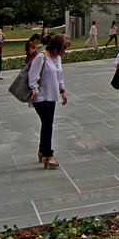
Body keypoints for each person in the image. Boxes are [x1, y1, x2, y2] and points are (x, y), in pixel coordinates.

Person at [28, 34, 69, 169]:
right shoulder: (41, 56)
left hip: (52, 95)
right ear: (57, 45)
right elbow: (32, 76)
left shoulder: (57, 58)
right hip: (39, 96)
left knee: (48, 123)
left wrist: (62, 91)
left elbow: (59, 75)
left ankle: (42, 150)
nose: (65, 50)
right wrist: (34, 92)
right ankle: (48, 154)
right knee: (47, 123)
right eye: (64, 46)